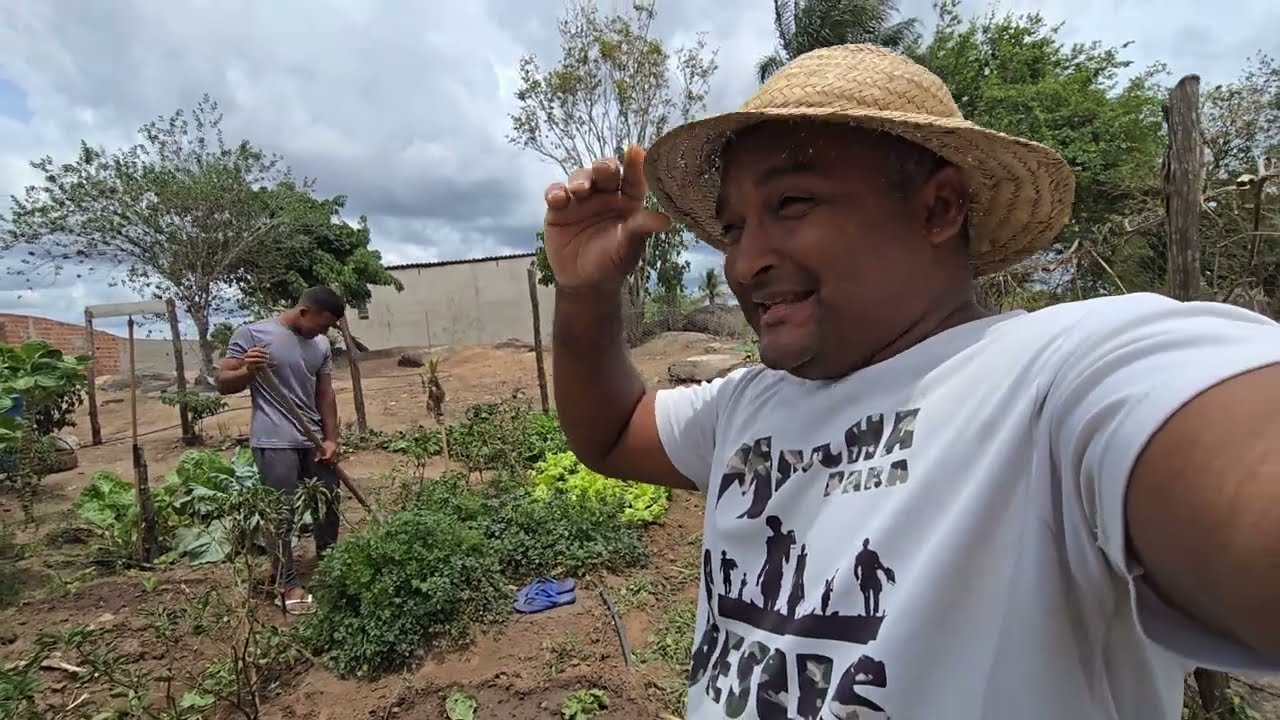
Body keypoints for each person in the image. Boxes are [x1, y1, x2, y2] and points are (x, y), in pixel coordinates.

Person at [541, 44, 1280, 719]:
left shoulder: (1059, 378)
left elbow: (1239, 465)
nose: (743, 263)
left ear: (939, 207)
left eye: (791, 204)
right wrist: (584, 294)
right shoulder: (745, 405)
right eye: (734, 228)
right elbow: (610, 431)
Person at [216, 286, 345, 615]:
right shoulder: (253, 334)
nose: (325, 332)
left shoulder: (321, 344)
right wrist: (249, 370)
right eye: (323, 324)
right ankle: (287, 583)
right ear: (304, 312)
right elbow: (223, 381)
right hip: (274, 441)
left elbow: (325, 394)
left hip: (313, 441)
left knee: (328, 503)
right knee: (281, 515)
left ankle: (330, 565)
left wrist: (332, 439)